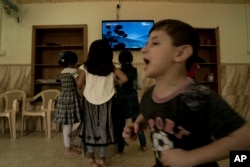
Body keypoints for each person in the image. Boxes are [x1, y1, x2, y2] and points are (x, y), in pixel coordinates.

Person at [122, 19, 250, 167]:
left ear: (181, 53)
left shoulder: (198, 96)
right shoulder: (148, 95)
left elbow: (244, 137)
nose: (144, 49)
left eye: (155, 43)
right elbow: (147, 113)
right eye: (146, 43)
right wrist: (136, 125)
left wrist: (190, 157)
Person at [77, 39, 127, 167]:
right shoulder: (111, 67)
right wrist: (115, 83)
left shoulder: (86, 66)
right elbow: (125, 79)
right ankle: (102, 159)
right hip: (107, 101)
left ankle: (91, 160)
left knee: (90, 129)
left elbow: (79, 84)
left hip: (89, 101)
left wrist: (82, 91)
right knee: (104, 128)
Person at [114, 49, 147, 153]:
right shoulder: (135, 70)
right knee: (136, 122)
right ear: (131, 59)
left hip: (120, 100)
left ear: (120, 60)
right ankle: (143, 145)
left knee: (120, 124)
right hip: (132, 99)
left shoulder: (117, 71)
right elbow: (140, 86)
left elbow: (115, 86)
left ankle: (120, 148)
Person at [53, 51, 82, 155]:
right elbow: (79, 85)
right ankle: (67, 149)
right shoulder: (73, 71)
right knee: (68, 124)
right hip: (71, 98)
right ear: (73, 61)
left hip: (63, 97)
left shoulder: (62, 71)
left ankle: (68, 144)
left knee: (67, 123)